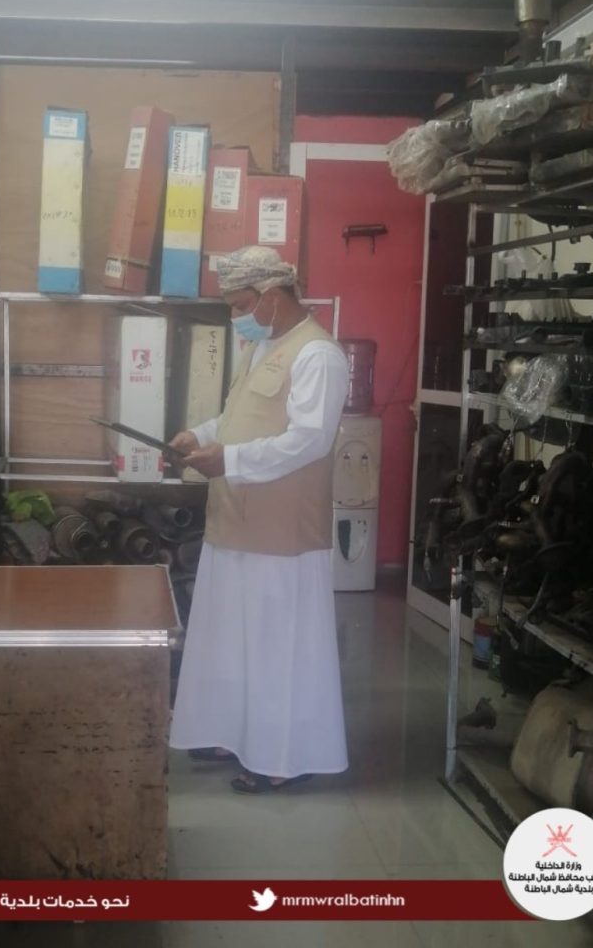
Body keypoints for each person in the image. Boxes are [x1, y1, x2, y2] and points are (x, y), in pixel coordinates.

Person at [168, 245, 349, 793]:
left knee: (277, 648)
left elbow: (309, 440)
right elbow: (235, 417)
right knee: (230, 640)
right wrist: (198, 436)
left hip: (283, 532)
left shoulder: (318, 355)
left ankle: (283, 757)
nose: (236, 316)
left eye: (242, 304)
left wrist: (229, 460)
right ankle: (231, 733)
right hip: (234, 519)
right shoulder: (259, 347)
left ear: (272, 296)